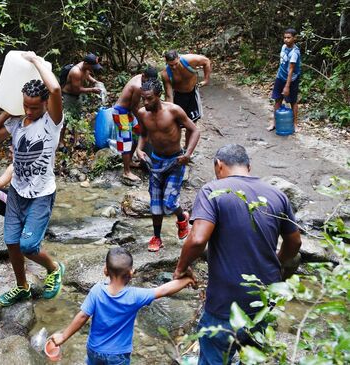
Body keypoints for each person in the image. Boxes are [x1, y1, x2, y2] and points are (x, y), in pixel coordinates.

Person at [173, 144, 302, 364]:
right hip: (262, 299)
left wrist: (181, 268)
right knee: (251, 356)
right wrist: (278, 263)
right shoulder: (277, 195)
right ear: (249, 166)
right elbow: (295, 242)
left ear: (218, 165)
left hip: (225, 305)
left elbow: (197, 239)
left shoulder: (212, 190)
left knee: (214, 355)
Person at [0, 51, 65, 307]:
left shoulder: (52, 122)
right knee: (12, 243)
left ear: (45, 105)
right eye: (25, 105)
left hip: (41, 194)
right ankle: (22, 287)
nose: (29, 110)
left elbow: (56, 89)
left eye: (34, 107)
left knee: (29, 245)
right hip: (17, 191)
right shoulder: (18, 122)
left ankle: (53, 268)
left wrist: (37, 62)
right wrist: (8, 111)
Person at [50, 247, 195, 365]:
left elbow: (82, 316)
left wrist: (63, 337)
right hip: (118, 355)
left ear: (105, 270)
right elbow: (163, 290)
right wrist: (186, 279)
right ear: (131, 273)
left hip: (94, 350)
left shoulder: (96, 290)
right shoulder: (135, 296)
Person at [135, 79, 200, 252]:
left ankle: (182, 218)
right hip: (155, 161)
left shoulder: (174, 111)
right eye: (143, 98)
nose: (145, 102)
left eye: (149, 98)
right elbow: (143, 133)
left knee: (169, 203)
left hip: (175, 160)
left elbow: (194, 130)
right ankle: (157, 237)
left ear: (158, 96)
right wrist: (139, 150)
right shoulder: (142, 113)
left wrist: (187, 154)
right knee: (155, 202)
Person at [111, 66, 158, 182]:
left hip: (128, 112)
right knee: (126, 141)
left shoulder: (142, 79)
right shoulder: (138, 86)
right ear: (143, 76)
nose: (149, 84)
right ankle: (126, 172)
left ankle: (130, 161)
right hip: (121, 112)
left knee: (138, 134)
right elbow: (134, 107)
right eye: (148, 81)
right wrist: (143, 121)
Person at [160, 50, 211, 148]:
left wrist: (206, 80)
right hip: (178, 96)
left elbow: (206, 61)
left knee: (191, 124)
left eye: (175, 64)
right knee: (175, 125)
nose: (174, 67)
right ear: (166, 62)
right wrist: (168, 111)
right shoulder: (166, 74)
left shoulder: (190, 60)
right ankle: (176, 148)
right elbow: (169, 95)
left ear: (179, 58)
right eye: (171, 65)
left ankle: (187, 149)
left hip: (192, 94)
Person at [60, 53, 103, 149]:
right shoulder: (76, 72)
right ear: (86, 63)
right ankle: (60, 142)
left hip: (77, 96)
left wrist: (95, 82)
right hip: (69, 96)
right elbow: (77, 89)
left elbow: (87, 76)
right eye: (92, 66)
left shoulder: (86, 68)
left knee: (77, 118)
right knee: (66, 119)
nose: (93, 69)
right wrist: (92, 90)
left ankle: (76, 142)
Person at [267, 28, 301, 132]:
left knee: (293, 101)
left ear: (294, 38)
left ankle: (295, 124)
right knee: (278, 100)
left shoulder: (295, 53)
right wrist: (278, 76)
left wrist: (287, 86)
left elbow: (291, 70)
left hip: (291, 80)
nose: (286, 40)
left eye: (289, 38)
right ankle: (274, 122)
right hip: (280, 77)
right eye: (285, 37)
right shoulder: (283, 47)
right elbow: (282, 63)